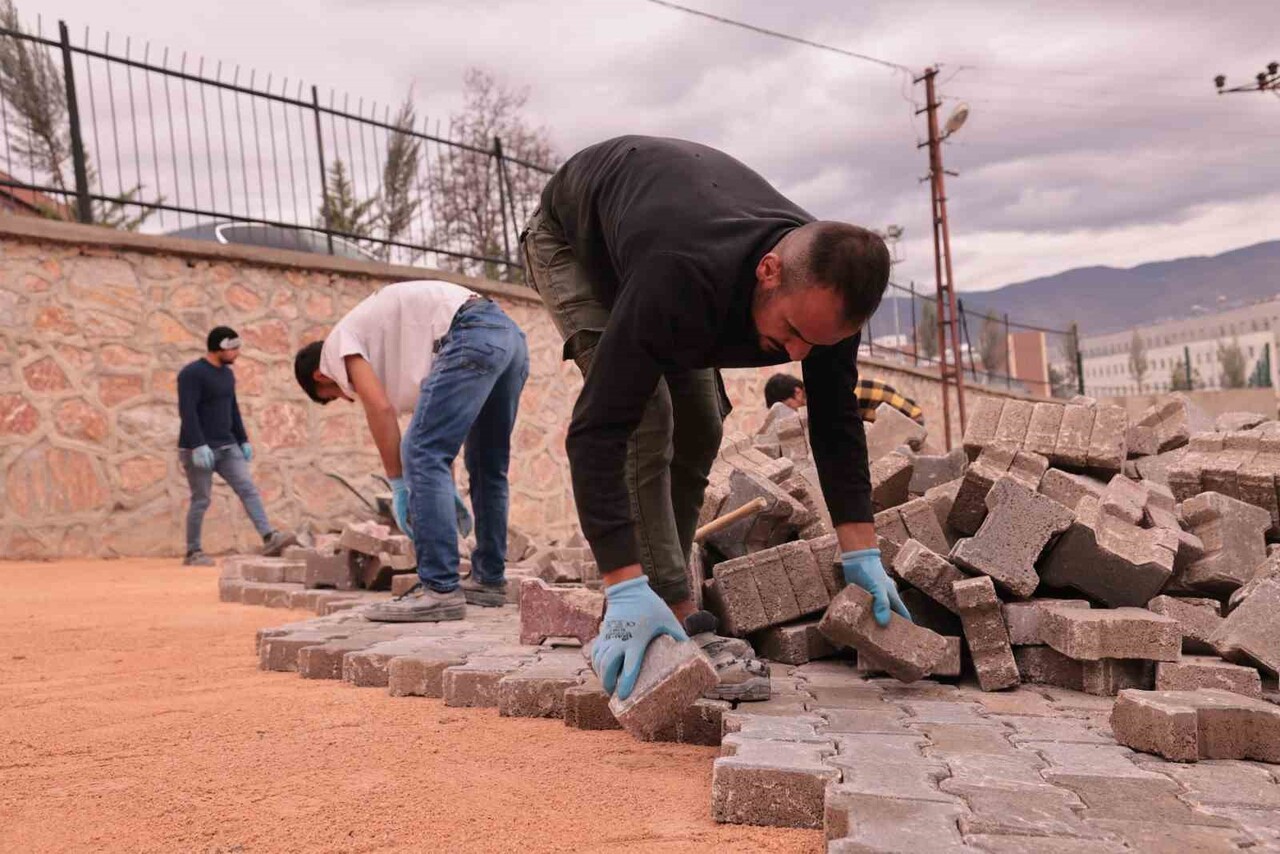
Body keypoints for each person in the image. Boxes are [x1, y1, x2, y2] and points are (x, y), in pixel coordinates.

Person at [522, 135, 908, 706]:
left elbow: (836, 424)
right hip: (574, 247)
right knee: (647, 420)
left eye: (817, 344)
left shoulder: (825, 300)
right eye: (794, 334)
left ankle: (660, 596)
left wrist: (861, 552)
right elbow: (598, 429)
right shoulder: (681, 270)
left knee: (701, 424)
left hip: (659, 244)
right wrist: (621, 584)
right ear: (770, 270)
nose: (799, 355)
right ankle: (667, 614)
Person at [293, 280, 528, 622]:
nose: (349, 395)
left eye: (336, 395)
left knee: (417, 451)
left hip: (470, 332)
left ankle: (440, 589)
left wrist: (399, 485)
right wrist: (442, 491)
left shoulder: (337, 346)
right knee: (487, 466)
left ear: (321, 376)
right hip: (507, 337)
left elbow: (382, 411)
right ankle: (489, 579)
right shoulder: (397, 350)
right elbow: (438, 440)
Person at [177, 326, 297, 565]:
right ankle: (193, 552)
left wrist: (243, 440)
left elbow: (233, 409)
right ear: (220, 347)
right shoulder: (191, 374)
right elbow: (187, 411)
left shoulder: (227, 375)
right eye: (233, 348)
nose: (237, 353)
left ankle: (268, 536)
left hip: (227, 446)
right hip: (199, 449)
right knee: (201, 499)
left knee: (248, 489)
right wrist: (198, 444)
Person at [765, 372, 924, 424]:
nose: (787, 412)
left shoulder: (825, 396)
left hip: (912, 420)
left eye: (786, 405)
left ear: (797, 392)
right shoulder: (819, 391)